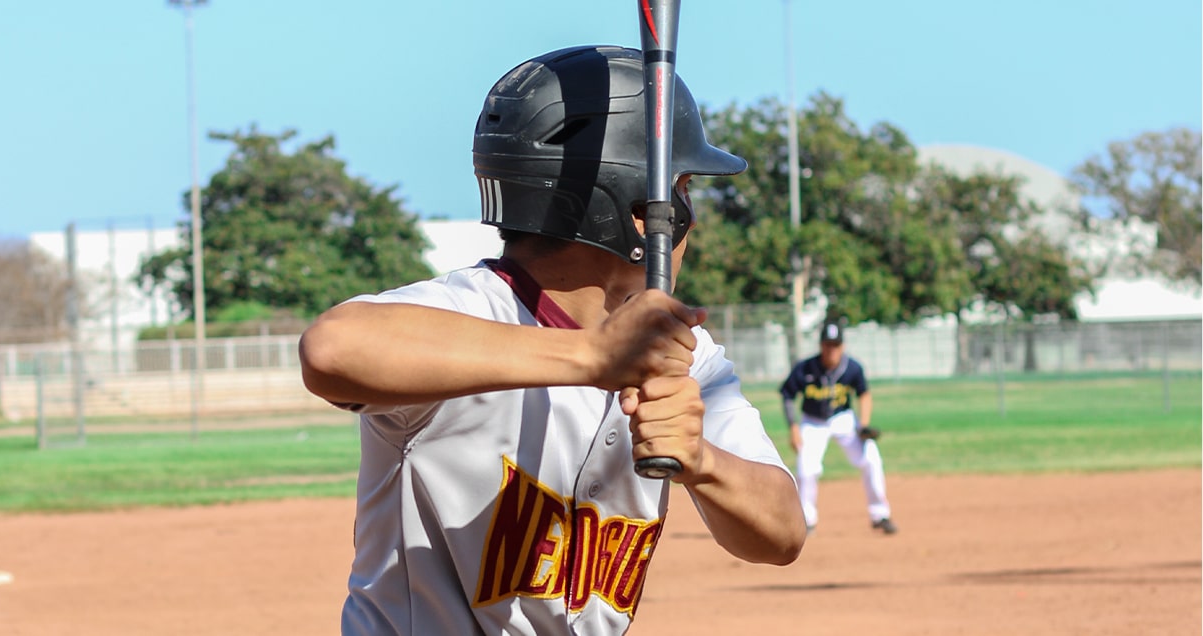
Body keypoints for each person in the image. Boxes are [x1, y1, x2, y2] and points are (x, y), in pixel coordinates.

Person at [299, 45, 805, 635]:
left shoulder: (685, 358)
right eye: (683, 187)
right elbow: (331, 350)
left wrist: (703, 462)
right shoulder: (469, 312)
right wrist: (591, 357)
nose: (689, 211)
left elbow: (783, 532)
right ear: (636, 210)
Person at [779, 320, 897, 535]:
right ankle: (807, 520)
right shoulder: (805, 368)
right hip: (812, 421)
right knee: (806, 468)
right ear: (821, 345)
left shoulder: (852, 368)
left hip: (843, 419)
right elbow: (787, 394)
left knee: (871, 459)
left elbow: (864, 394)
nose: (831, 349)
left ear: (842, 346)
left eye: (836, 345)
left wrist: (863, 424)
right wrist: (793, 427)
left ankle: (880, 514)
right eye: (828, 344)